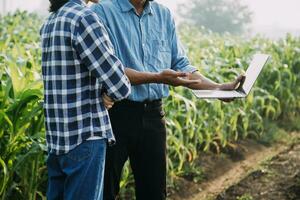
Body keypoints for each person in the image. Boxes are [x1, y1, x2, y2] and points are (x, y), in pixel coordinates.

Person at [91, 0, 245, 199]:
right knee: (104, 190)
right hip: (115, 114)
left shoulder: (163, 15)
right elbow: (108, 69)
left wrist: (218, 88)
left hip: (154, 116)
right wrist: (157, 77)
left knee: (154, 191)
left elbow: (181, 66)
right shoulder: (102, 11)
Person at [40, 0, 133, 199]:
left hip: (57, 141)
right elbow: (120, 85)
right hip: (84, 138)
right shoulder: (84, 18)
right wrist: (109, 93)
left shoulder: (51, 21)